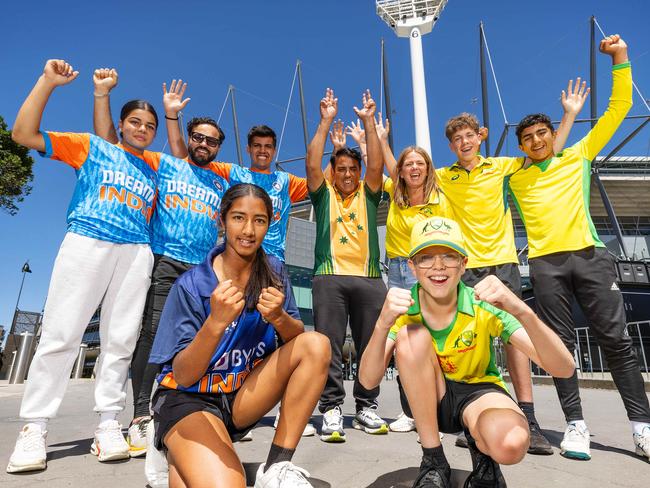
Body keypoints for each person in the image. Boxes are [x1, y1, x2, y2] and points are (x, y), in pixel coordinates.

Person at [7, 60, 159, 473]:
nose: (142, 129)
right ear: (122, 125)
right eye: (135, 122)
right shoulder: (93, 147)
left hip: (135, 251)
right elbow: (22, 134)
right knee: (60, 335)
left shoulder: (155, 167)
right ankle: (35, 427)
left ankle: (108, 423)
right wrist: (48, 82)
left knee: (121, 341)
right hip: (88, 240)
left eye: (149, 125)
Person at [509, 34, 650, 461]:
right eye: (528, 138)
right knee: (559, 346)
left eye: (542, 134)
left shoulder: (579, 156)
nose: (536, 141)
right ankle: (575, 426)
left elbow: (618, 108)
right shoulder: (513, 177)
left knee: (617, 342)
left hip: (591, 258)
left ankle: (641, 427)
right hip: (546, 266)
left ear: (553, 135)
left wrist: (620, 58)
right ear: (520, 147)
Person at [359, 216, 575, 487]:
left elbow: (564, 368)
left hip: (478, 394)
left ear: (464, 264)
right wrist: (382, 323)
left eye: (449, 256)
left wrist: (521, 309)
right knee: (411, 335)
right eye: (426, 258)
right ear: (412, 267)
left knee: (511, 443)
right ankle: (433, 461)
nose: (438, 266)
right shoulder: (404, 308)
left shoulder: (482, 303)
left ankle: (485, 460)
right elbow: (367, 382)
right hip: (430, 397)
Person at [434, 80, 588, 453]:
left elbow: (547, 150)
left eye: (469, 136)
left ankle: (529, 418)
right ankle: (473, 414)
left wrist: (568, 116)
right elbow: (407, 172)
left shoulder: (505, 166)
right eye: (457, 140)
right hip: (465, 269)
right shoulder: (443, 176)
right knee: (473, 343)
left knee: (514, 340)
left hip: (502, 265)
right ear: (451, 146)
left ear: (481, 137)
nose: (464, 144)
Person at [148, 183, 330, 487]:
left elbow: (297, 336)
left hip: (238, 399)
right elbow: (182, 375)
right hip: (187, 399)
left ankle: (276, 467)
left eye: (259, 220)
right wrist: (215, 324)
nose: (248, 230)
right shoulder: (191, 285)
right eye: (238, 218)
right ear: (222, 221)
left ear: (269, 225)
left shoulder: (274, 271)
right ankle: (175, 444)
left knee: (316, 345)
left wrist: (278, 317)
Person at [92, 70, 231, 455]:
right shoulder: (164, 163)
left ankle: (196, 407)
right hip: (165, 260)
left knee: (201, 338)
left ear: (219, 146)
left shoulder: (220, 182)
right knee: (152, 337)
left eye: (212, 140)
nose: (203, 143)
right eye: (197, 137)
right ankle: (140, 416)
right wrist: (168, 115)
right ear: (189, 139)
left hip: (203, 270)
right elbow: (108, 143)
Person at [306, 88, 388, 442]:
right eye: (342, 169)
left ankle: (367, 405)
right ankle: (332, 408)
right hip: (329, 277)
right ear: (334, 171)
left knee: (372, 345)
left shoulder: (369, 194)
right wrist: (325, 121)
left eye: (353, 169)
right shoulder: (323, 195)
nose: (349, 174)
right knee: (330, 346)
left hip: (369, 279)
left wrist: (369, 121)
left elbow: (377, 165)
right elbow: (311, 162)